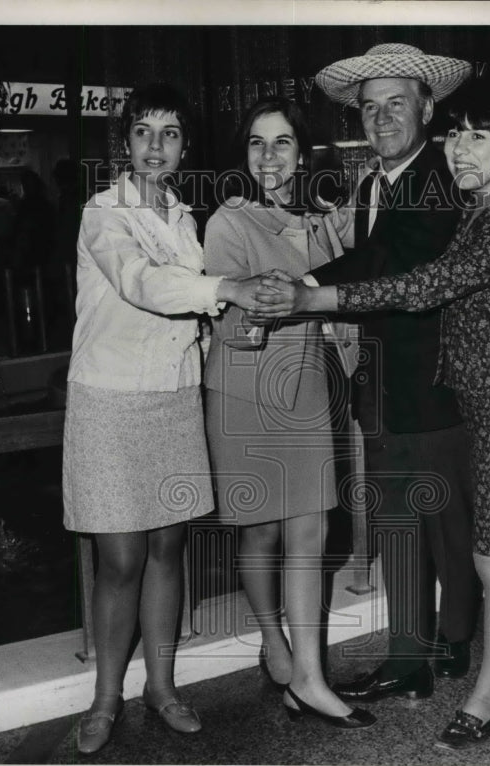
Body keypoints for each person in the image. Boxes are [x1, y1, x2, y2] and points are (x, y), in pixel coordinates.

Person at [255, 79, 490, 749]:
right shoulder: (487, 202)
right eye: (458, 135)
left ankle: (486, 699)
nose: (460, 150)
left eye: (477, 138)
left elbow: (423, 282)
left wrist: (313, 299)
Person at [62, 83, 278, 755]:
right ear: (125, 143)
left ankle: (161, 687)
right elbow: (142, 285)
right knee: (120, 557)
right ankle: (105, 700)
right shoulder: (103, 213)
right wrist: (224, 290)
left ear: (185, 146)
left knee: (166, 548)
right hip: (108, 398)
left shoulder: (186, 218)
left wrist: (230, 333)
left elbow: (188, 315)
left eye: (170, 133)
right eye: (143, 133)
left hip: (173, 397)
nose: (156, 146)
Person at [303, 43, 481, 704]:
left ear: (427, 108)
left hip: (434, 382)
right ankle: (408, 657)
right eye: (370, 107)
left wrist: (304, 288)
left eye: (396, 104)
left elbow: (391, 259)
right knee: (400, 522)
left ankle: (457, 635)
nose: (380, 119)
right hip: (382, 385)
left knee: (449, 521)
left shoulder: (439, 178)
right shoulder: (374, 183)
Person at [202, 97, 373, 730]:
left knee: (312, 531)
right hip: (246, 388)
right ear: (243, 154)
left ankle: (308, 677)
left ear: (302, 153)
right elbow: (236, 313)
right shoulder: (228, 220)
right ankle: (274, 641)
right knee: (262, 530)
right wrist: (289, 297)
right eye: (256, 143)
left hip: (301, 383)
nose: (268, 156)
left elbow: (362, 260)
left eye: (281, 144)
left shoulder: (316, 217)